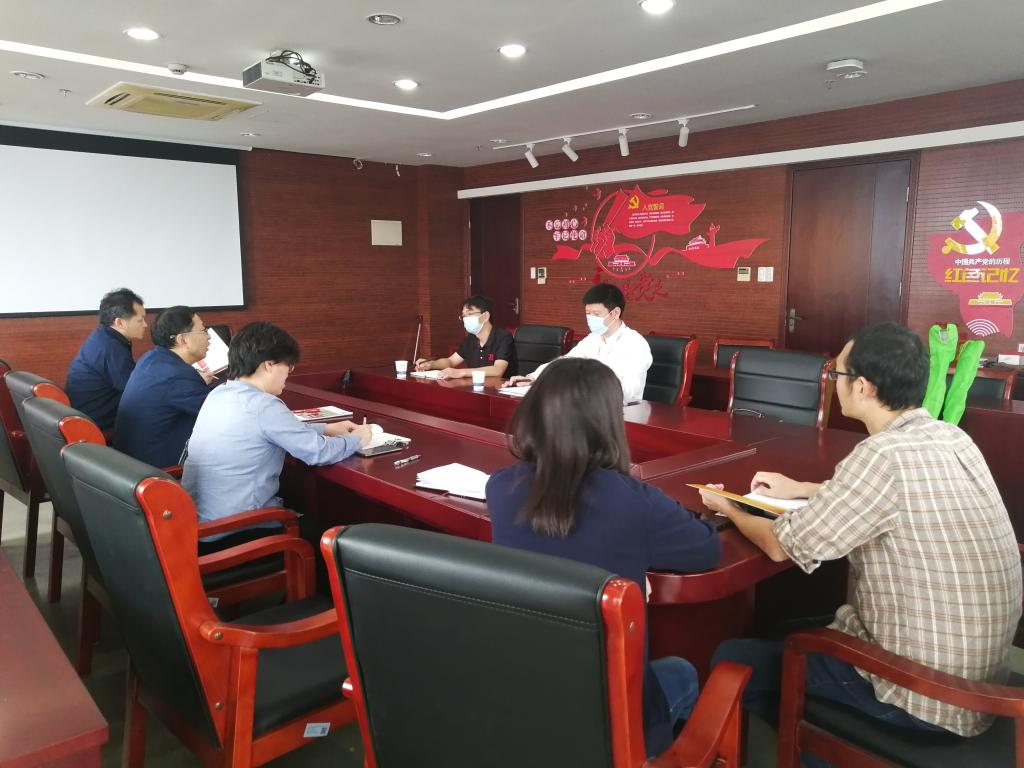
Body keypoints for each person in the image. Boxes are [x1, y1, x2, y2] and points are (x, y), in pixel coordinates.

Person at [701, 322, 1021, 751]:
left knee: (733, 658)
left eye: (837, 374)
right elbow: (891, 495)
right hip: (983, 680)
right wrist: (801, 488)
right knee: (790, 625)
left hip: (925, 696)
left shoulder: (881, 455)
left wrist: (729, 507)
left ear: (863, 387)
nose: (833, 382)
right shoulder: (951, 436)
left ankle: (822, 750)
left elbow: (779, 545)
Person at [487, 357, 720, 757]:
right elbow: (706, 549)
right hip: (613, 718)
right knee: (683, 671)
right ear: (609, 422)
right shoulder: (635, 502)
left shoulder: (500, 488)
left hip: (525, 699)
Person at [182, 321, 376, 551]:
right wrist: (358, 438)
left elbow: (266, 430)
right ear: (269, 365)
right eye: (289, 367)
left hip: (197, 526)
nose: (288, 375)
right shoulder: (263, 405)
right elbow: (319, 453)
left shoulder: (219, 393)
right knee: (336, 542)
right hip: (236, 529)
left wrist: (325, 428)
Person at [502, 283, 652, 402]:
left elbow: (629, 390)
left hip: (622, 412)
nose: (590, 319)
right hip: (587, 407)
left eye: (596, 314)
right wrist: (533, 377)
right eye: (588, 314)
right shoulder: (593, 339)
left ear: (615, 313)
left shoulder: (635, 344)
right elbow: (565, 361)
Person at [114, 305, 214, 468]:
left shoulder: (152, 358)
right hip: (158, 472)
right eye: (203, 330)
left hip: (130, 463)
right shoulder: (177, 375)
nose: (208, 336)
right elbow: (220, 415)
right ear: (183, 340)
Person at [65, 288, 147, 430]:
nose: (145, 324)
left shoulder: (102, 336)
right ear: (119, 323)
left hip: (85, 414)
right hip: (97, 425)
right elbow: (138, 391)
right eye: (140, 320)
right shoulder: (111, 348)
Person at [414, 295, 516, 379]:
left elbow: (498, 370)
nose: (465, 319)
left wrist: (461, 372)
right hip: (476, 388)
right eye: (463, 316)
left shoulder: (503, 337)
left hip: (499, 390)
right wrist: (432, 364)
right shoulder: (470, 339)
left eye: (470, 314)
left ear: (485, 316)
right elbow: (451, 361)